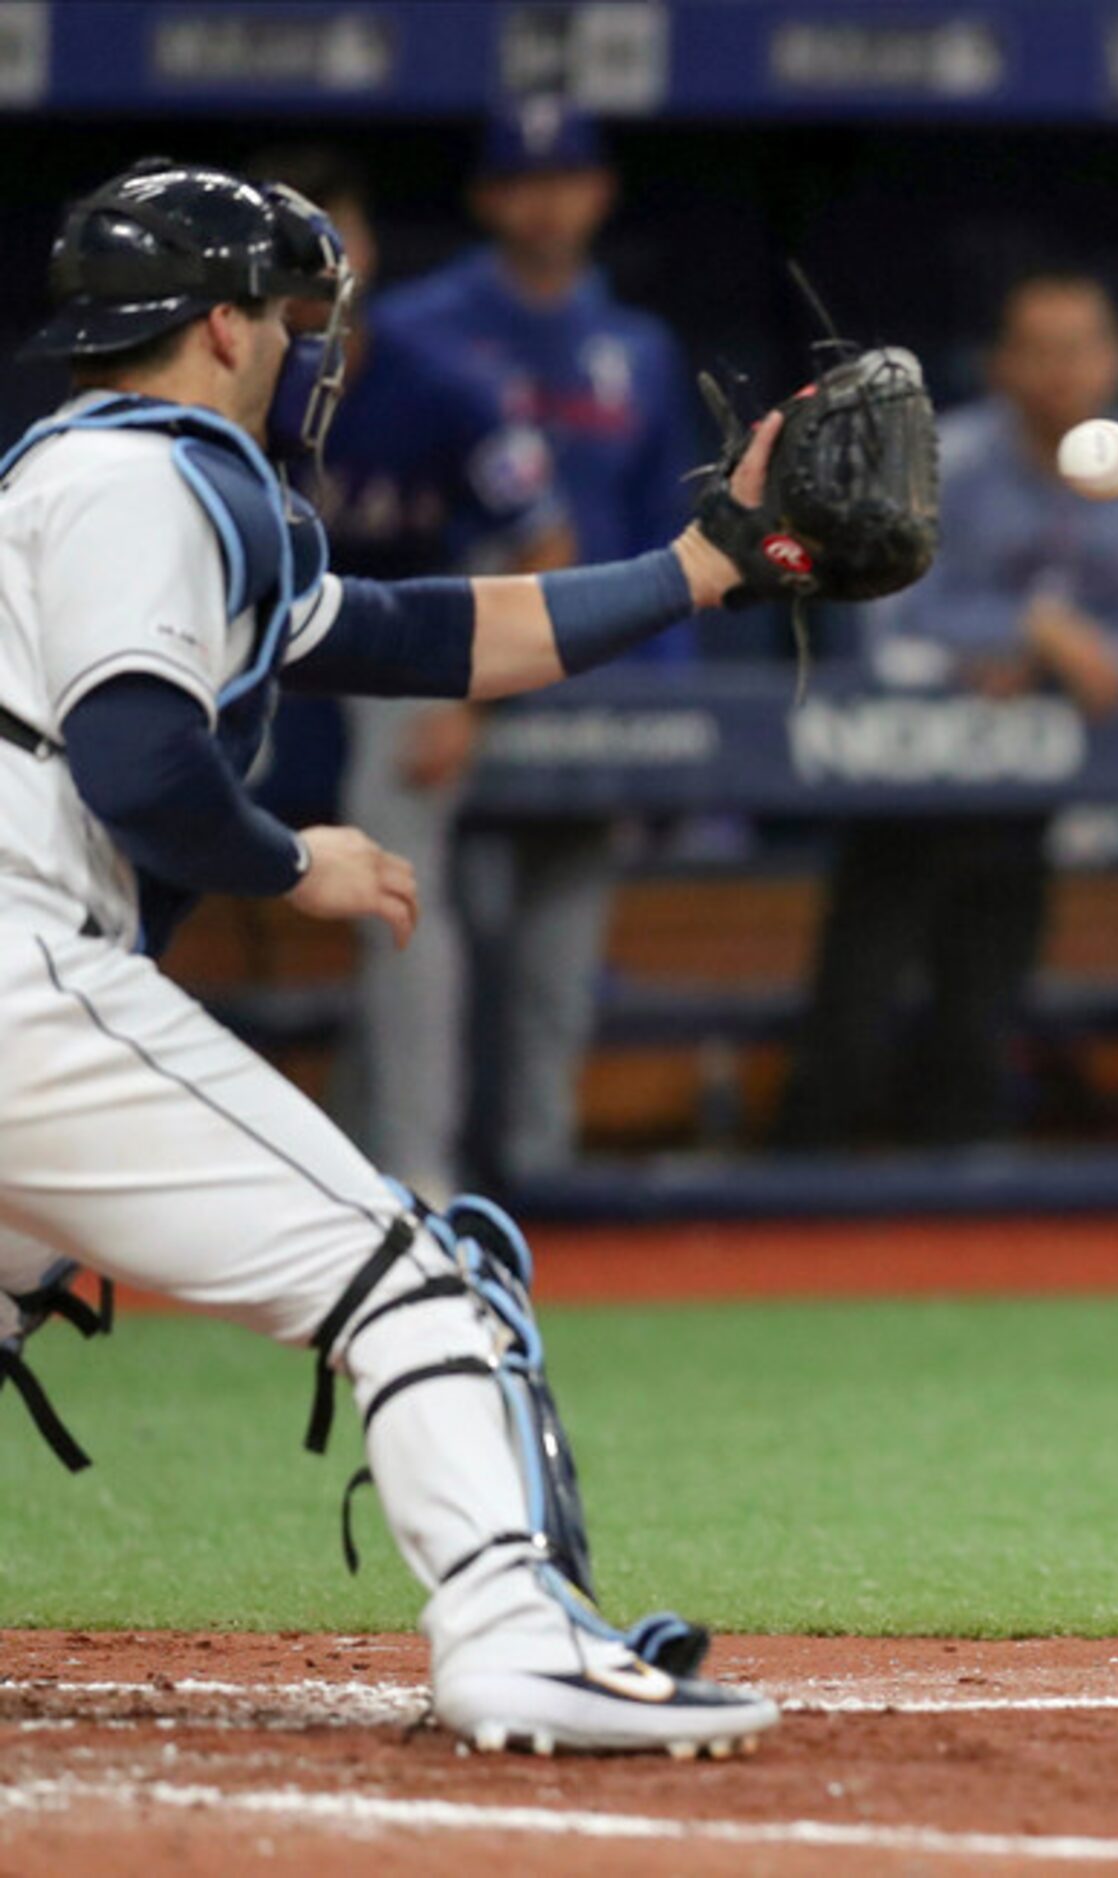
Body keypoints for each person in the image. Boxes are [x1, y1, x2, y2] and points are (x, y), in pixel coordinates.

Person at [0, 158, 816, 1752]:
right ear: (224, 326)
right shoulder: (137, 481)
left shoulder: (107, 478)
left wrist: (701, 565)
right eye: (296, 314)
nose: (315, 346)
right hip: (22, 969)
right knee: (415, 1276)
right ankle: (513, 1633)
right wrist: (292, 857)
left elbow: (417, 631)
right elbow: (140, 760)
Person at [778, 271, 1118, 1147]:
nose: (1060, 371)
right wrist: (1020, 635)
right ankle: (821, 1146)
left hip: (1049, 776)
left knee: (990, 967)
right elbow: (885, 611)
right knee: (869, 958)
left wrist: (1072, 655)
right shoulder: (943, 459)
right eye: (1038, 350)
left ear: (1117, 362)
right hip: (910, 771)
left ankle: (959, 1148)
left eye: (1080, 348)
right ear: (1000, 366)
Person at [378, 96, 699, 1181]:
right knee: (431, 944)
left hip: (593, 672)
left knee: (559, 964)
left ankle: (540, 1179)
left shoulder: (639, 348)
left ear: (600, 193)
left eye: (567, 178)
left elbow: (671, 535)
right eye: (523, 180)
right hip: (449, 665)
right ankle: (415, 1184)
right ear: (486, 198)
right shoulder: (420, 330)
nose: (547, 202)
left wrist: (671, 712)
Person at [252, 145, 576, 1201]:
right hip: (237, 646)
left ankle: (417, 1175)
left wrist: (471, 702)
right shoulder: (198, 384)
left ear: (366, 253)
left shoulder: (436, 380)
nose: (307, 277)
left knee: (400, 869)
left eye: (326, 248)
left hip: (385, 652)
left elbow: (546, 543)